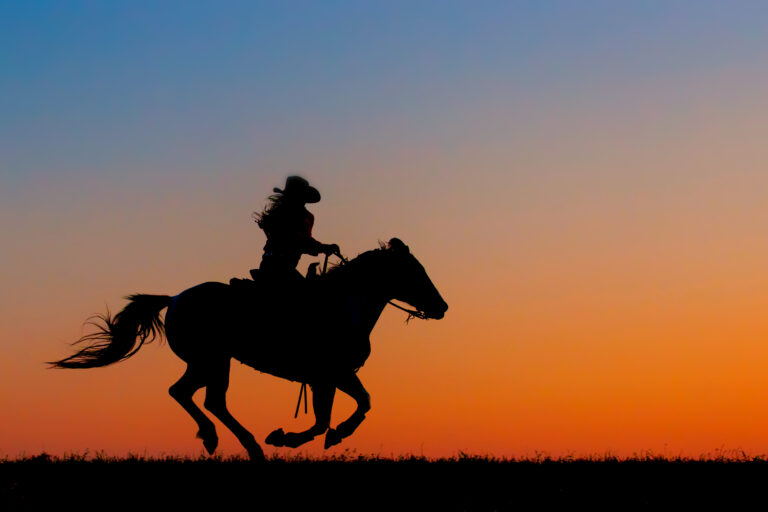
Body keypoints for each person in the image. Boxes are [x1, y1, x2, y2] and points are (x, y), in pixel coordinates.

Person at [253, 176, 338, 282]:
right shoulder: (289, 215)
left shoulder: (297, 215)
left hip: (274, 265)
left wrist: (321, 247)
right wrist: (324, 248)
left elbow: (304, 242)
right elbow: (301, 241)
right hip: (279, 268)